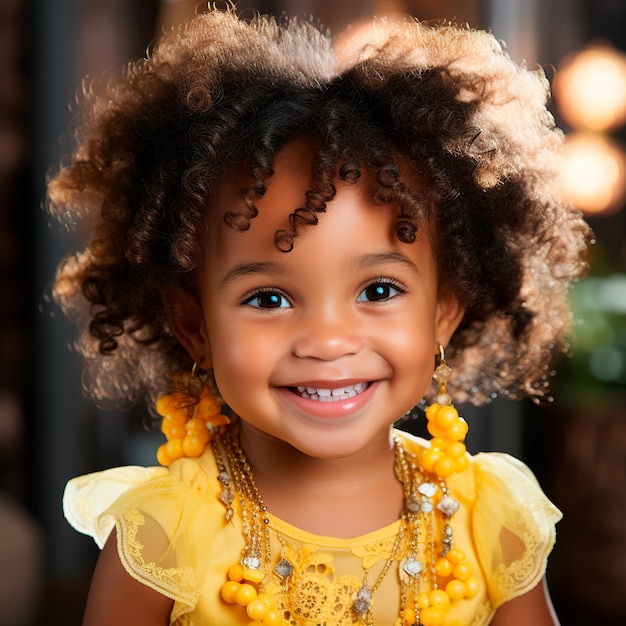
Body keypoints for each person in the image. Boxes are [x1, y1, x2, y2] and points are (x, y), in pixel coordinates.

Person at [52, 5, 590, 625]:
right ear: (195, 326)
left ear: (444, 313)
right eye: (269, 299)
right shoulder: (167, 534)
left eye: (379, 290)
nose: (329, 340)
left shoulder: (487, 523)